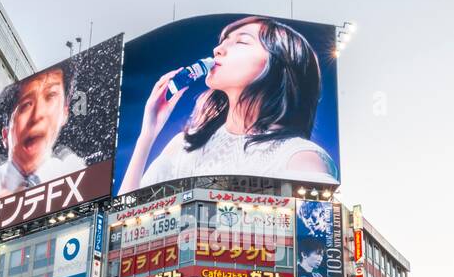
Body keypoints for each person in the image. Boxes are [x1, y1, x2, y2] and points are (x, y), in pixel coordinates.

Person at [119, 17, 338, 193]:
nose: (218, 49)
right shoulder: (183, 147)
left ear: (280, 65)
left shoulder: (299, 158)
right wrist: (147, 135)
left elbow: (313, 241)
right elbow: (123, 226)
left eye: (241, 42)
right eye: (223, 41)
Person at [0, 64, 83, 211]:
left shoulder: (71, 175)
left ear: (64, 113)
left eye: (50, 96)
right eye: (26, 105)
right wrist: (2, 90)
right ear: (5, 135)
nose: (37, 115)